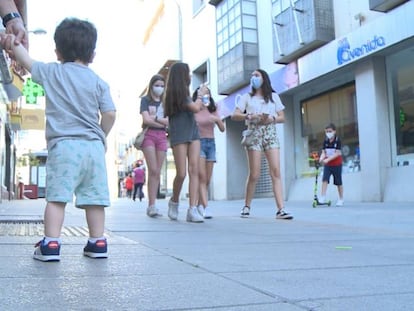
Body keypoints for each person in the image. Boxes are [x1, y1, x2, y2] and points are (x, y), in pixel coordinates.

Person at [0, 18, 116, 261]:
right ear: (92, 54)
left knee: (57, 198)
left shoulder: (52, 71)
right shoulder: (99, 82)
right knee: (95, 199)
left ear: (57, 51)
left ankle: (51, 244)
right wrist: (101, 135)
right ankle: (98, 242)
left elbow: (26, 61)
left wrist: (11, 42)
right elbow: (110, 113)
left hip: (64, 146)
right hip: (93, 147)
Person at [231, 69, 293, 220]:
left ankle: (281, 209)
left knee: (276, 171)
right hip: (254, 133)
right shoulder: (247, 97)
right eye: (252, 75)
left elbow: (282, 117)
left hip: (270, 133)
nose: (253, 78)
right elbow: (235, 115)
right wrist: (249, 115)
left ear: (264, 78)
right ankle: (247, 206)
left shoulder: (273, 97)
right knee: (255, 173)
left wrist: (271, 118)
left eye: (256, 75)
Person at [164, 62, 206, 223]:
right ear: (181, 76)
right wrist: (201, 94)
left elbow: (197, 108)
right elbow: (196, 108)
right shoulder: (177, 95)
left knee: (194, 169)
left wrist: (200, 100)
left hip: (193, 132)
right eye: (187, 73)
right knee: (181, 173)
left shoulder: (186, 94)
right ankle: (174, 201)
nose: (189, 76)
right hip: (179, 134)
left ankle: (192, 209)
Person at [193, 85, 225, 219]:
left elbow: (222, 128)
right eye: (202, 93)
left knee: (207, 179)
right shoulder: (194, 108)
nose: (205, 96)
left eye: (207, 93)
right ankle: (206, 207)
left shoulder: (214, 107)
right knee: (201, 176)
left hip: (211, 143)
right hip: (198, 142)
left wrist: (217, 120)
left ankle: (200, 204)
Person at [140, 74, 168, 217]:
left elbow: (169, 122)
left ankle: (153, 205)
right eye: (157, 85)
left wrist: (155, 118)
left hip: (162, 136)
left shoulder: (165, 102)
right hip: (149, 135)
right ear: (151, 86)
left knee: (158, 171)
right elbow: (146, 120)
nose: (160, 88)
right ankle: (151, 205)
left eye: (162, 86)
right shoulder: (145, 100)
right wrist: (160, 121)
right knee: (153, 169)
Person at [318, 123, 344, 206]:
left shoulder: (337, 141)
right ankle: (322, 197)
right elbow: (323, 152)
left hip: (337, 164)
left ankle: (341, 199)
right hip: (328, 165)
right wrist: (321, 158)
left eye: (330, 131)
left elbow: (337, 153)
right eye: (327, 131)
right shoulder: (325, 141)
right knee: (325, 179)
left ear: (334, 131)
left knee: (338, 182)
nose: (328, 133)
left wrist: (328, 159)